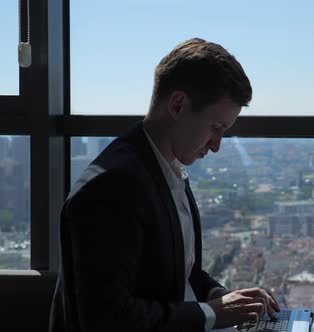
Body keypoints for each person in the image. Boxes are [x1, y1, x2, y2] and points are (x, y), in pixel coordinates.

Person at [49, 38, 280, 332]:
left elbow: (178, 272)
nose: (217, 145)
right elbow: (108, 319)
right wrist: (213, 314)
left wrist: (220, 297)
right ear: (178, 105)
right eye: (215, 127)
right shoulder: (111, 187)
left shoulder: (163, 167)